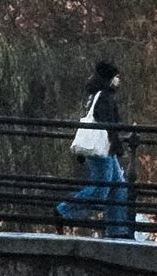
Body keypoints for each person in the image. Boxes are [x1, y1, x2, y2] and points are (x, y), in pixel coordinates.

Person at [56, 58, 134, 240]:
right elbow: (109, 125)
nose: (119, 80)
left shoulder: (96, 94)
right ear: (110, 78)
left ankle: (118, 230)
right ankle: (63, 210)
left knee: (118, 188)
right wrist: (118, 147)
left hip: (103, 148)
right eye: (116, 77)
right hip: (102, 149)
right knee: (102, 189)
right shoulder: (105, 97)